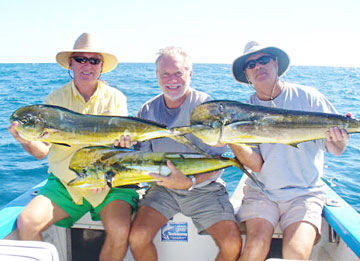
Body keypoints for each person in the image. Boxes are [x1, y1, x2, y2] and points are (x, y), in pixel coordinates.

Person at [8, 33, 139, 261]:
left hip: (109, 182)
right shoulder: (53, 101)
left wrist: (107, 170)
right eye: (80, 59)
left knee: (119, 231)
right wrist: (24, 139)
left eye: (94, 60)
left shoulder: (116, 99)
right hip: (66, 184)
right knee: (27, 223)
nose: (87, 65)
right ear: (71, 63)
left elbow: (118, 150)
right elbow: (41, 152)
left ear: (101, 66)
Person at [229, 41, 349, 260]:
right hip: (262, 191)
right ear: (247, 74)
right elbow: (256, 165)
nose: (258, 66)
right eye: (251, 64)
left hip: (305, 193)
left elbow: (336, 149)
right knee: (254, 247)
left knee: (296, 253)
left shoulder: (309, 97)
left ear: (275, 63)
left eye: (264, 60)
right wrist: (230, 139)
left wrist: (339, 141)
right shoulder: (243, 111)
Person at [127, 47, 242, 261]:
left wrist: (188, 182)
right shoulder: (147, 110)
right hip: (162, 189)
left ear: (190, 74)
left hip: (203, 190)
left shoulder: (207, 108)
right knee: (137, 237)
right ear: (157, 76)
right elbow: (140, 159)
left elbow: (218, 162)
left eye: (178, 73)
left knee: (232, 243)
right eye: (165, 74)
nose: (172, 80)